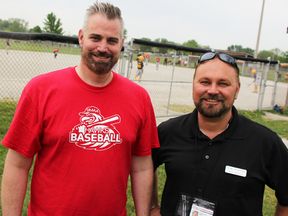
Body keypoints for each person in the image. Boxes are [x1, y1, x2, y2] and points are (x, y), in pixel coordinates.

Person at [1, 2, 159, 216]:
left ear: (121, 44)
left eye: (111, 41)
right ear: (81, 37)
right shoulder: (41, 89)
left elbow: (141, 167)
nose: (103, 47)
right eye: (96, 38)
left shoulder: (139, 98)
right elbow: (17, 165)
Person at [151, 52, 288, 216]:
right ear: (194, 85)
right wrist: (152, 206)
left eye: (223, 84)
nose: (213, 90)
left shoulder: (265, 142)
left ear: (237, 90)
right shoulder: (168, 131)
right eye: (205, 82)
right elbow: (145, 168)